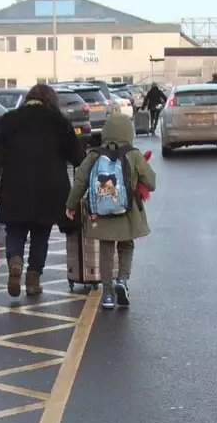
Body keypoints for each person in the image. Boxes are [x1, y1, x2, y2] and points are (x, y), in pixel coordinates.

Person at [0, 83, 84, 298]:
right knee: (41, 234)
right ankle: (33, 279)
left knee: (15, 230)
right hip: (50, 190)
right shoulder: (58, 123)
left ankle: (15, 262)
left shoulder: (8, 121)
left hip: (14, 187)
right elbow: (77, 158)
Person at [66, 110, 157, 312]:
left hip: (100, 213)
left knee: (106, 251)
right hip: (127, 212)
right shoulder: (133, 155)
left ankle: (107, 294)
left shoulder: (94, 155)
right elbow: (151, 183)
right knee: (126, 246)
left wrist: (71, 205)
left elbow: (80, 181)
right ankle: (122, 281)